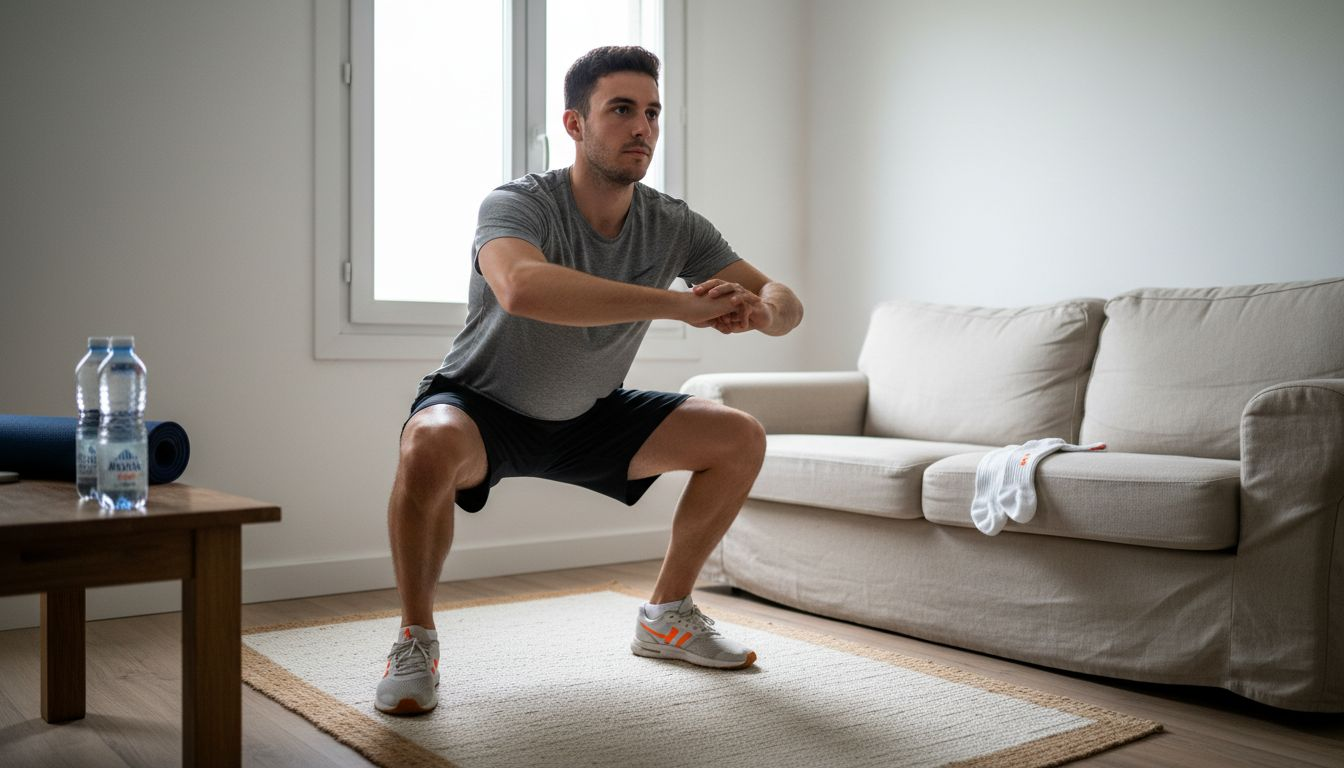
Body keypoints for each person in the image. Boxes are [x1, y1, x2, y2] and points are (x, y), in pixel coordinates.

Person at [375, 45, 803, 715]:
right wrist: (675, 306)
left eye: (653, 113)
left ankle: (666, 616)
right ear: (575, 124)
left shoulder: (673, 223)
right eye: (622, 110)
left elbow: (783, 297)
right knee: (426, 441)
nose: (643, 129)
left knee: (738, 437)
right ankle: (415, 638)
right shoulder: (518, 203)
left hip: (589, 414)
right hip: (481, 409)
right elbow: (521, 287)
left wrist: (762, 310)